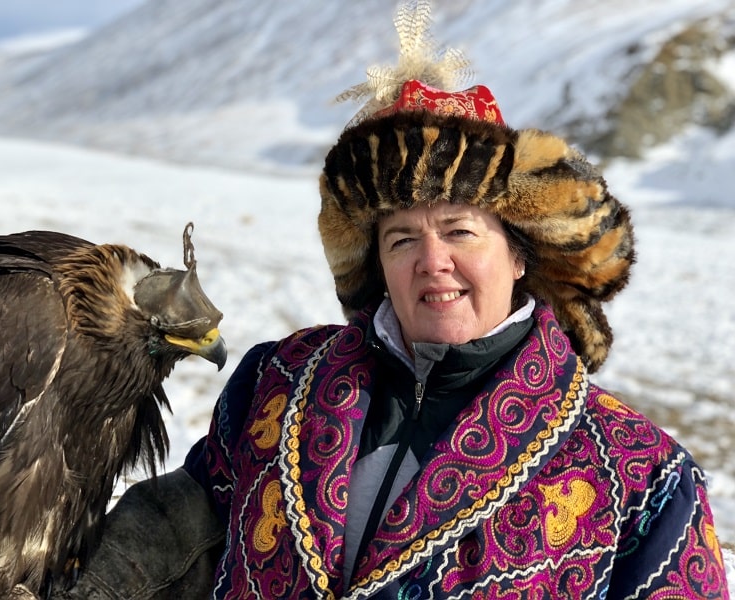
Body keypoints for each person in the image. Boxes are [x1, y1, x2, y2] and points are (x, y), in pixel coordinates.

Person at [56, 1, 730, 598]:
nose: (432, 261)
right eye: (402, 238)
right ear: (378, 263)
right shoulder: (277, 382)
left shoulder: (641, 476)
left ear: (521, 252)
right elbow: (191, 520)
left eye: (459, 231)